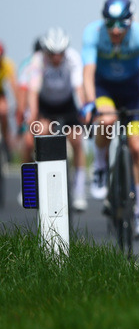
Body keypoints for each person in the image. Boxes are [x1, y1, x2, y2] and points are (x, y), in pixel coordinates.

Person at [81, 0, 139, 237]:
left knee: (138, 148)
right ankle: (99, 166)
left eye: (122, 24)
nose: (116, 30)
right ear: (103, 21)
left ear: (130, 21)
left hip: (133, 92)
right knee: (107, 120)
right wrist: (90, 102)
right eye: (110, 23)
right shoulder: (93, 33)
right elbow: (88, 73)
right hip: (104, 89)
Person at [25, 28, 88, 210]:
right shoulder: (38, 60)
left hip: (67, 104)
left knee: (76, 139)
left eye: (60, 53)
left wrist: (84, 110)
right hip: (46, 105)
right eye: (52, 54)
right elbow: (33, 91)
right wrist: (33, 115)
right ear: (46, 51)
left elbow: (78, 88)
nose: (56, 58)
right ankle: (33, 186)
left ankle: (79, 190)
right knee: (41, 133)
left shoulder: (73, 58)